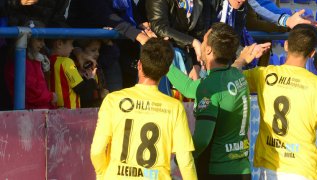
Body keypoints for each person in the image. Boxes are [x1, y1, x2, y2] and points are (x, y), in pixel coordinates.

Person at [234, 24, 317, 180]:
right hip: (302, 169)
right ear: (312, 53)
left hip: (270, 167)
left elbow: (231, 80)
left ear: (286, 45)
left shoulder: (265, 75)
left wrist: (241, 60)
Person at [90, 38, 196, 180]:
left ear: (139, 65)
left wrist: (103, 174)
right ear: (165, 71)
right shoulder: (174, 107)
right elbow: (185, 161)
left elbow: (97, 151)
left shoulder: (113, 100)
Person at [167, 22, 251, 179]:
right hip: (243, 168)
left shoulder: (210, 86)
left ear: (208, 50)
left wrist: (175, 164)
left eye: (204, 41)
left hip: (218, 171)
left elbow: (201, 140)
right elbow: (189, 88)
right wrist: (163, 61)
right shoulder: (236, 75)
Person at [137, 0, 204, 80]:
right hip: (156, 51)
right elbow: (160, 27)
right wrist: (193, 42)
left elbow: (198, 32)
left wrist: (197, 65)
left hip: (181, 49)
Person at [5, 20, 57, 109]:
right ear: (28, 39)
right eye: (39, 39)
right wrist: (50, 96)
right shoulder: (23, 62)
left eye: (44, 40)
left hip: (37, 111)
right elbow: (31, 93)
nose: (43, 44)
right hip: (30, 114)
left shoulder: (34, 59)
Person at [49, 38, 97, 109]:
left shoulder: (48, 60)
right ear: (59, 44)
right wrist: (92, 78)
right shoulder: (67, 62)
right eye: (71, 44)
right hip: (70, 111)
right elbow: (81, 89)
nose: (72, 48)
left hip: (53, 110)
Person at [72, 39, 109, 107]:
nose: (97, 53)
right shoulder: (74, 68)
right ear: (81, 52)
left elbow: (102, 87)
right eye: (93, 50)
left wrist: (103, 92)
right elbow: (83, 95)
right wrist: (100, 94)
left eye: (98, 50)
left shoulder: (97, 68)